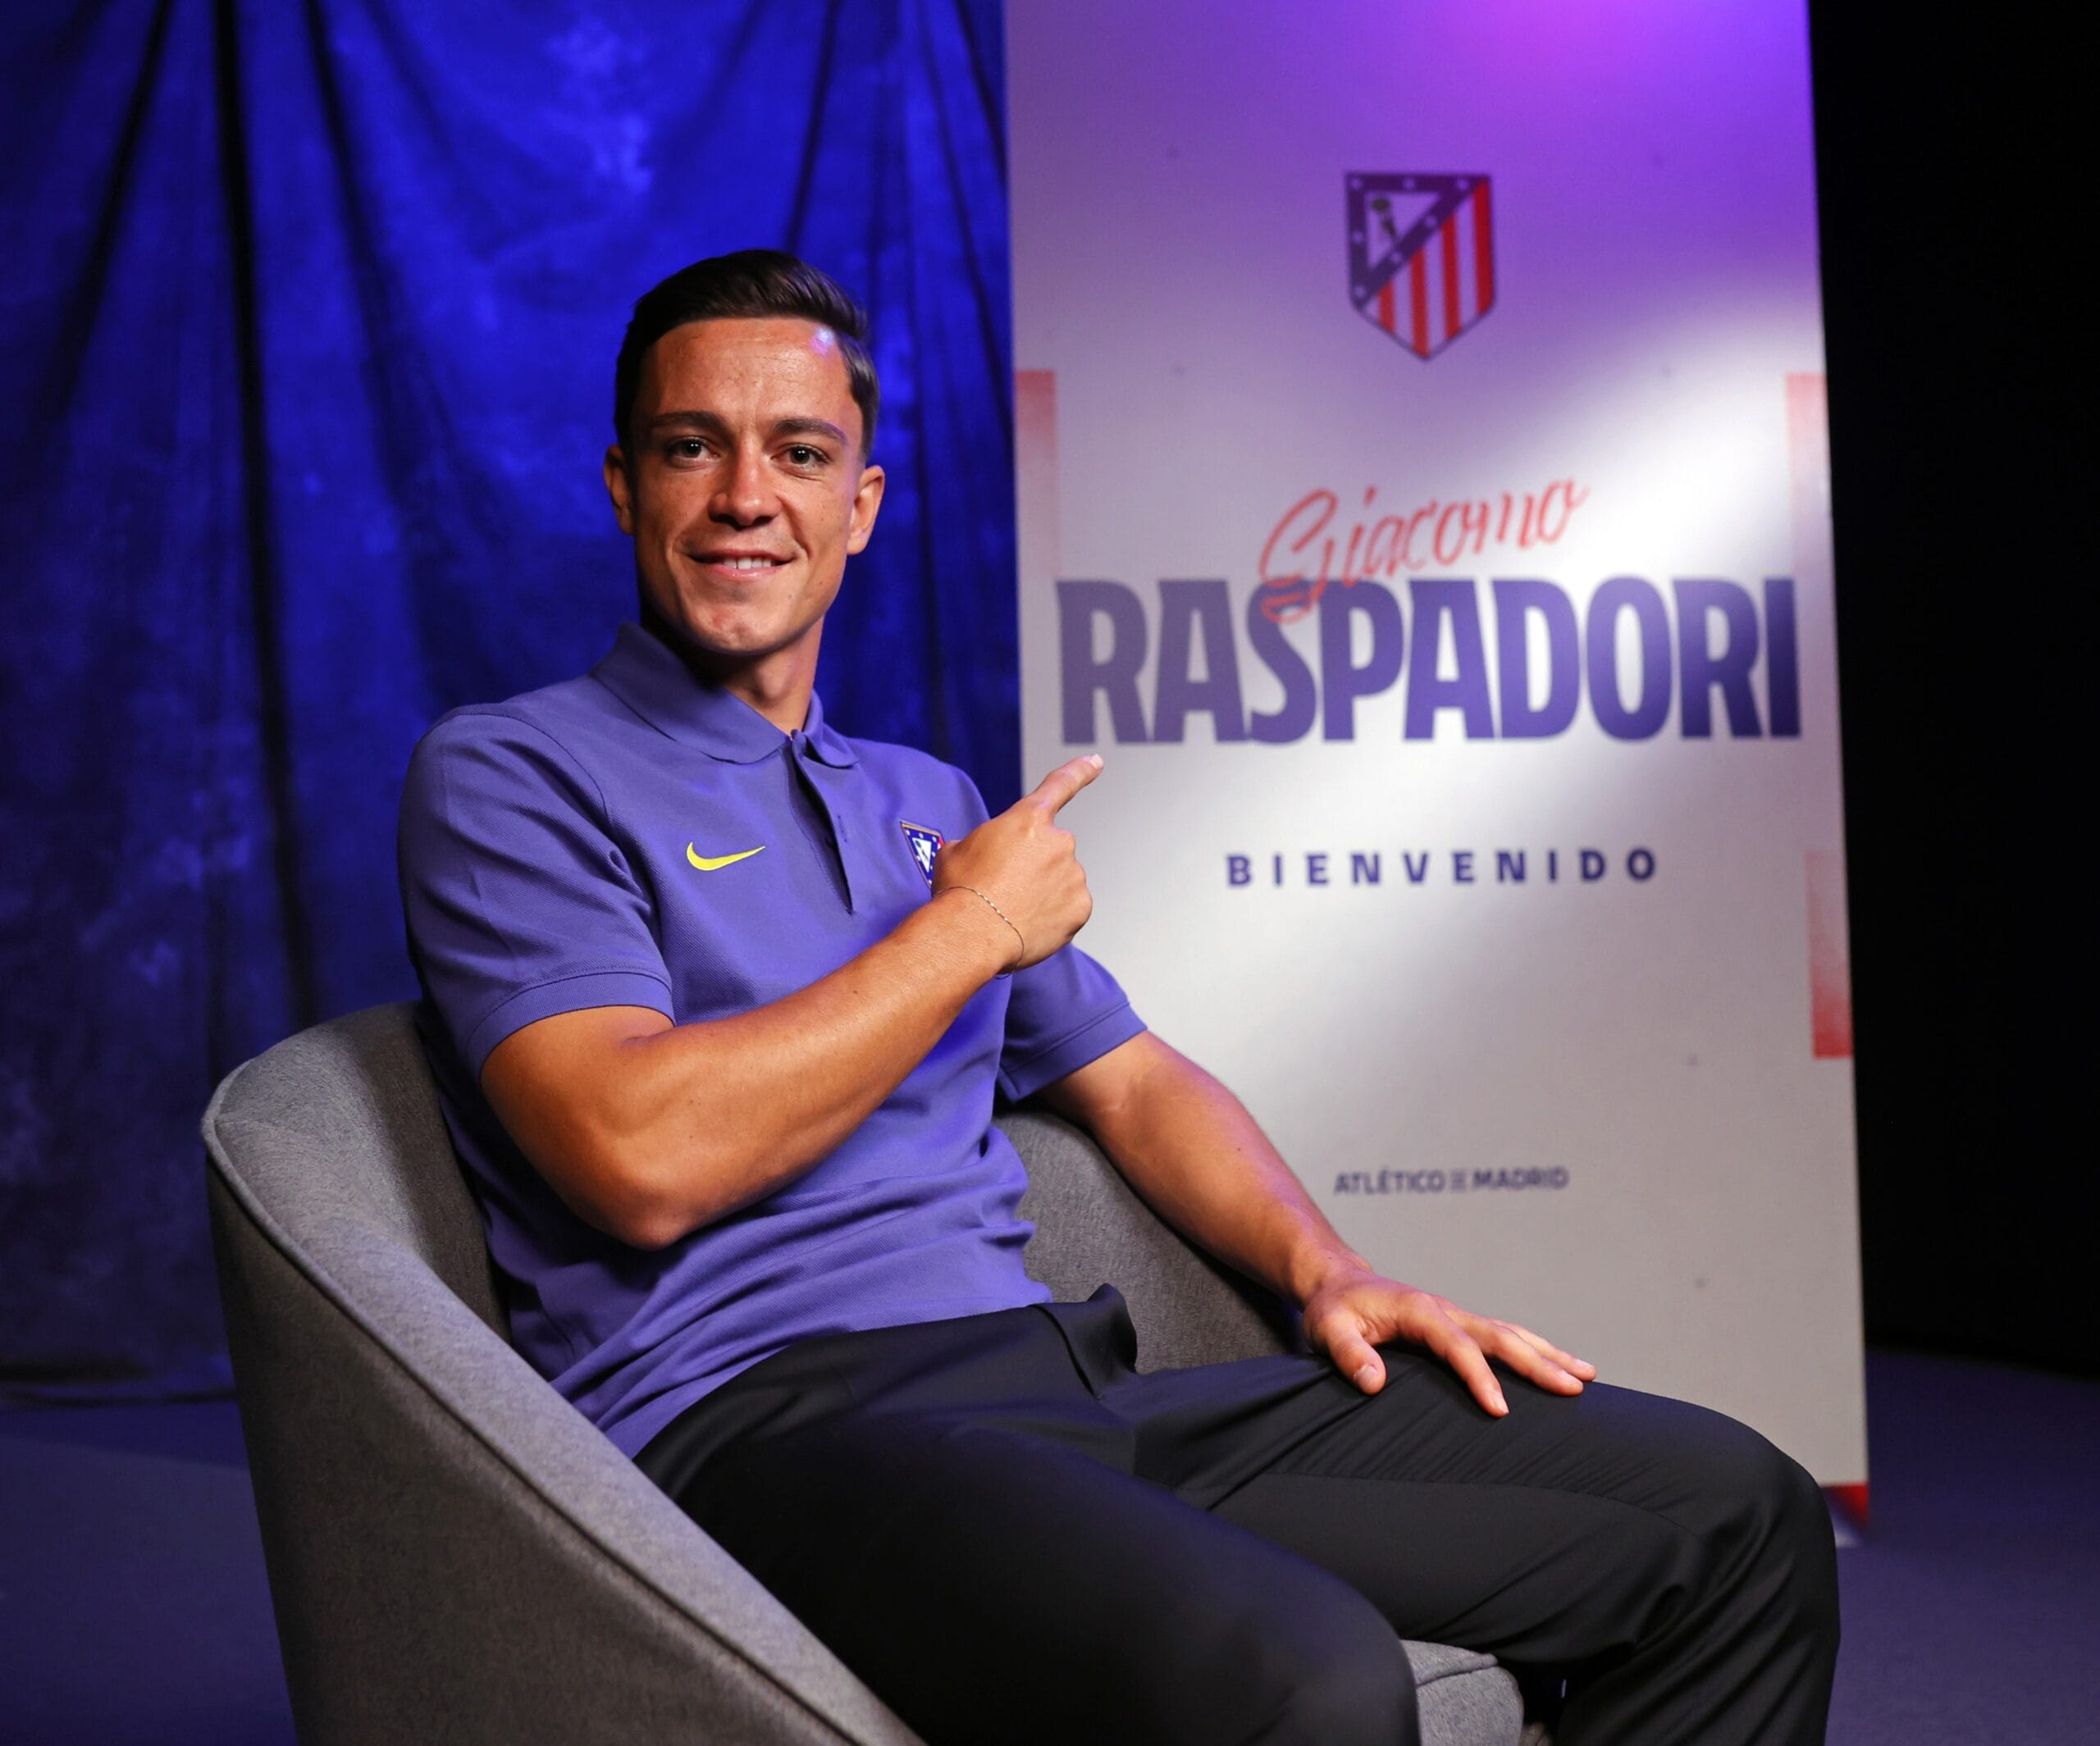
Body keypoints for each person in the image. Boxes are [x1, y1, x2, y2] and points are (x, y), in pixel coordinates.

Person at [398, 250, 1838, 1746]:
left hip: (1057, 1389)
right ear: (625, 486)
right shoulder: (511, 773)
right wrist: (970, 928)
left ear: (862, 505)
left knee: (1737, 1517)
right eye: (694, 447)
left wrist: (1325, 1267)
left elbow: (1137, 1080)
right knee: (1312, 1683)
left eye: (801, 454)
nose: (746, 496)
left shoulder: (925, 801)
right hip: (769, 1427)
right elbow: (634, 1156)